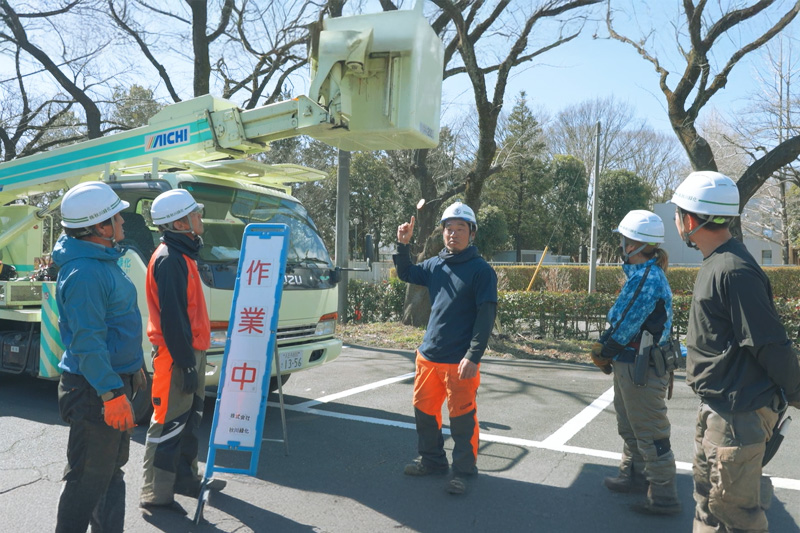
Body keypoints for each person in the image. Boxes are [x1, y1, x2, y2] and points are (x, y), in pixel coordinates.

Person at [672, 171, 800, 532]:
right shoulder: (719, 263)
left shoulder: (734, 270)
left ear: (692, 219)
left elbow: (770, 344)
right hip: (720, 409)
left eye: (679, 213)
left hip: (738, 416)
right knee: (709, 506)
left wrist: (796, 391)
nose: (677, 220)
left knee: (736, 514)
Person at [53, 181, 146, 533]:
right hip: (95, 391)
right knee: (88, 481)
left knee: (109, 475)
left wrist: (134, 371)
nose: (122, 220)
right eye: (116, 216)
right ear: (99, 228)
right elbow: (87, 343)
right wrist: (111, 393)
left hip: (110, 383)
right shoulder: (86, 272)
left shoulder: (100, 260)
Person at [393, 201, 497, 495]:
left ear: (472, 233)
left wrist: (473, 356)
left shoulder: (481, 271)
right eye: (448, 229)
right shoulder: (436, 264)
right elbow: (408, 274)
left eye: (460, 228)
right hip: (428, 357)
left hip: (459, 361)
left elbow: (485, 317)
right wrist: (403, 245)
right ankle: (432, 461)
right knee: (424, 413)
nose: (453, 234)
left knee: (462, 420)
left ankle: (463, 471)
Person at [590, 210, 680, 515]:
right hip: (632, 361)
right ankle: (634, 477)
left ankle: (664, 496)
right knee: (631, 424)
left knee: (650, 430)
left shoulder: (647, 278)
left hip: (642, 364)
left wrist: (604, 351)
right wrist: (608, 349)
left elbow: (626, 324)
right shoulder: (643, 275)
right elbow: (623, 319)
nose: (621, 246)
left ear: (634, 245)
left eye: (623, 240)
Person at [140, 189, 225, 514]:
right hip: (176, 355)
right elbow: (173, 318)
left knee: (189, 419)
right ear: (179, 222)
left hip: (188, 353)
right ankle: (155, 494)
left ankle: (185, 479)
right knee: (167, 423)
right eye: (196, 214)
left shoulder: (182, 255)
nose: (200, 219)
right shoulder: (170, 259)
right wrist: (187, 364)